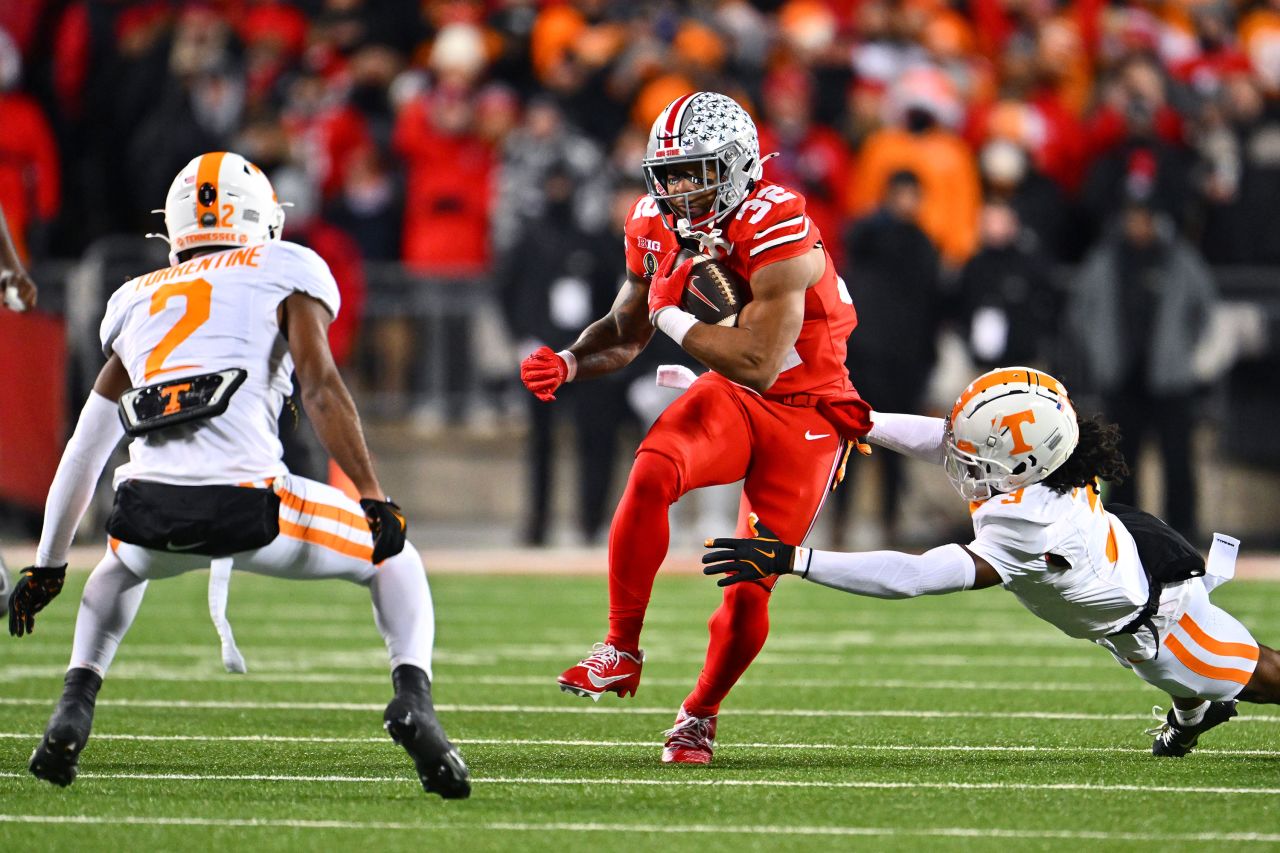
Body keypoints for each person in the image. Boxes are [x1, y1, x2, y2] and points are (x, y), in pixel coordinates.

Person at [5, 152, 470, 798]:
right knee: (397, 558)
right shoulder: (284, 267)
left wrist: (48, 564)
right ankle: (414, 699)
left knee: (116, 567)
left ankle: (75, 701)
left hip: (144, 510)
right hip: (249, 506)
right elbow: (321, 387)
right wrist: (372, 494)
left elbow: (85, 446)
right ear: (260, 218)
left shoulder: (136, 298)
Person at [520, 91, 871, 764]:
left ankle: (698, 714)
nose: (680, 189)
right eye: (671, 173)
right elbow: (628, 329)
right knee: (652, 469)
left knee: (747, 591)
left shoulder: (779, 218)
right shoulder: (653, 220)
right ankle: (621, 647)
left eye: (697, 171)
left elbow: (764, 361)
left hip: (807, 410)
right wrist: (571, 361)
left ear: (738, 167)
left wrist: (673, 314)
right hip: (732, 393)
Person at [703, 367, 1279, 757]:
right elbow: (948, 439)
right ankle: (1194, 710)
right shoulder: (1052, 453)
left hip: (1156, 615)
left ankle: (1196, 706)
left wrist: (797, 560)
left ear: (1024, 463)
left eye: (981, 456)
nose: (962, 460)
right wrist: (863, 420)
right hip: (1131, 546)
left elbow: (918, 576)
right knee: (1160, 669)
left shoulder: (1027, 524)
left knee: (1248, 674)